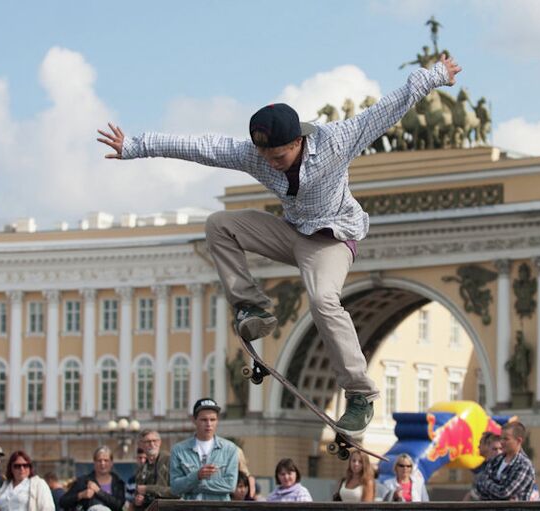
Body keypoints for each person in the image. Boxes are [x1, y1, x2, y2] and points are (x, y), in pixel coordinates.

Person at [97, 54, 462, 437]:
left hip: (333, 240)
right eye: (266, 157)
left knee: (322, 300)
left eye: (280, 156)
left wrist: (436, 75)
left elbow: (387, 110)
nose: (271, 164)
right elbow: (203, 146)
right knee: (220, 225)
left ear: (299, 140)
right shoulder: (255, 156)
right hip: (292, 233)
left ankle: (359, 394)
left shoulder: (337, 141)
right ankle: (252, 305)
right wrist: (135, 146)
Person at [169, 398, 239, 501]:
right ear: (194, 420)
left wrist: (196, 483)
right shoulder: (178, 450)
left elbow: (230, 485)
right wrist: (196, 475)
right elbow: (175, 487)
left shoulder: (230, 449)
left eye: (213, 420)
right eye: (204, 420)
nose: (209, 424)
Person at [470, 422, 536, 501]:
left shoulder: (524, 465)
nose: (501, 442)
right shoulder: (496, 460)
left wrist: (486, 484)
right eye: (501, 438)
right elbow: (479, 488)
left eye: (506, 439)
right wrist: (497, 488)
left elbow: (504, 493)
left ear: (519, 441)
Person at [60, 446, 125, 511]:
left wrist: (98, 491)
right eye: (99, 460)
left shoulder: (118, 483)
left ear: (111, 463)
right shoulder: (83, 481)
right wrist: (81, 495)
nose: (102, 463)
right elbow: (63, 502)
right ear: (94, 462)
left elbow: (119, 505)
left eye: (106, 460)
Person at [134, 429, 176, 509]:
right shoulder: (141, 469)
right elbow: (139, 494)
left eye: (155, 441)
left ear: (160, 442)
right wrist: (139, 500)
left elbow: (178, 491)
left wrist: (148, 489)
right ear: (141, 445)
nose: (152, 444)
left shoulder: (171, 460)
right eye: (148, 442)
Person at [463, 432, 502, 500]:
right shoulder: (483, 467)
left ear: (487, 446)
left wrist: (472, 494)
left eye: (481, 443)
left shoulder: (500, 467)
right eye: (495, 449)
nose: (478, 446)